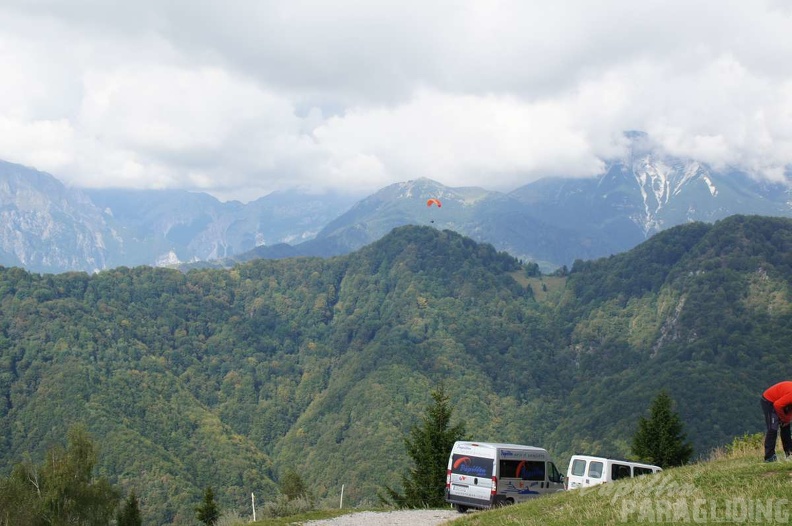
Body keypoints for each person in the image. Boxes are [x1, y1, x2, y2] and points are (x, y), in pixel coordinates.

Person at [761, 381, 792, 462]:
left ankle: (789, 453)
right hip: (769, 401)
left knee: (786, 426)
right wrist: (784, 418)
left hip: (781, 400)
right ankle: (769, 457)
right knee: (773, 428)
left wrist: (787, 419)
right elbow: (777, 405)